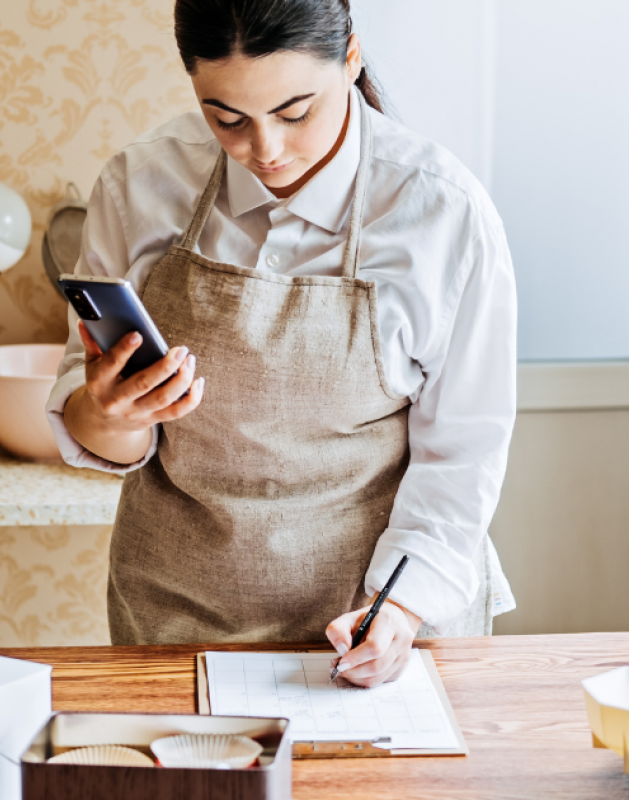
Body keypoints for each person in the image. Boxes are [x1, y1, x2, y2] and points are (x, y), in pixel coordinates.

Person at [47, 0, 517, 688]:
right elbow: (106, 430)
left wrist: (403, 609)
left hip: (373, 614)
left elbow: (463, 456)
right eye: (227, 119)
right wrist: (106, 415)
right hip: (177, 618)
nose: (264, 150)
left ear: (351, 58)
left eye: (296, 112)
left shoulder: (441, 211)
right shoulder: (141, 186)